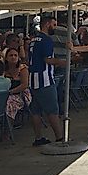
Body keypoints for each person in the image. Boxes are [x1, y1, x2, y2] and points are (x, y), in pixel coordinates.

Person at [28, 15, 66, 146]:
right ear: (47, 24)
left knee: (36, 110)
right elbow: (48, 59)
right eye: (53, 25)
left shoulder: (33, 40)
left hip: (33, 78)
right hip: (44, 79)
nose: (54, 28)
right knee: (52, 109)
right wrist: (63, 62)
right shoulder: (46, 40)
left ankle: (38, 137)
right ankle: (60, 137)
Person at [4, 47, 31, 129]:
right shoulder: (4, 69)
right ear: (6, 58)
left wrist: (11, 92)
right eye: (11, 55)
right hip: (6, 94)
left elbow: (24, 85)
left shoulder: (23, 68)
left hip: (22, 94)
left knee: (10, 103)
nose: (13, 57)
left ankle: (8, 129)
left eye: (15, 55)